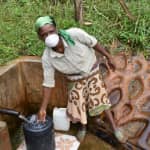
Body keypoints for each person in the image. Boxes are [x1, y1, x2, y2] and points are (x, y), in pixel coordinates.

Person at [35, 16, 123, 142]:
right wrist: (42, 108)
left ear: (56, 29)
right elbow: (48, 83)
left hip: (91, 72)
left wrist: (108, 56)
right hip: (74, 79)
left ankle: (115, 128)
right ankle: (83, 127)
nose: (49, 36)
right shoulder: (47, 57)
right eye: (44, 35)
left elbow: (93, 43)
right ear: (40, 38)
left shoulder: (75, 34)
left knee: (100, 99)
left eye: (51, 31)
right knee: (77, 104)